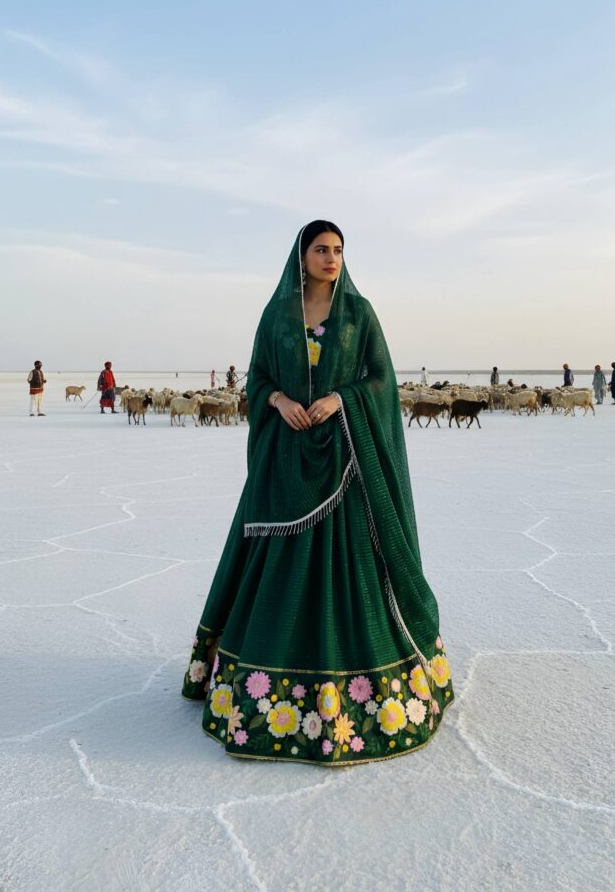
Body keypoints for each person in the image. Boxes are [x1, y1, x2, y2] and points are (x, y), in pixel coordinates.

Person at [182, 220, 453, 765]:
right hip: (285, 458)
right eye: (320, 250)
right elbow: (257, 377)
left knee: (350, 568)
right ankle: (257, 691)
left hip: (346, 461)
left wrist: (340, 399)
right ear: (301, 256)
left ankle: (363, 690)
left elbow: (382, 379)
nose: (331, 258)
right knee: (274, 567)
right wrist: (279, 401)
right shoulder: (277, 314)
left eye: (338, 250)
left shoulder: (359, 314)